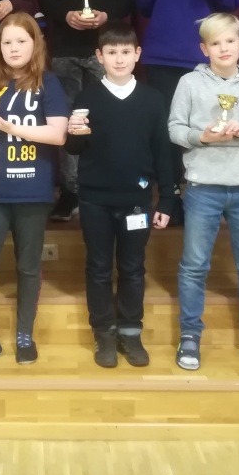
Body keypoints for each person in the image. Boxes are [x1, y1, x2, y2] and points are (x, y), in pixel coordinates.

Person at [167, 13, 239, 372]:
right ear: (205, 49)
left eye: (230, 41)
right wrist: (201, 136)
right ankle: (189, 334)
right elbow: (174, 128)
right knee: (193, 266)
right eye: (215, 43)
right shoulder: (189, 83)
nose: (224, 48)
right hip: (202, 187)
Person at [65, 21, 174, 368]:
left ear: (137, 54)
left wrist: (167, 198)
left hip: (136, 201)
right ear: (100, 56)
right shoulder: (87, 96)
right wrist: (74, 133)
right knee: (98, 268)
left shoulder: (152, 100)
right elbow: (74, 148)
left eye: (126, 52)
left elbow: (163, 151)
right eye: (111, 52)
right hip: (95, 200)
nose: (119, 58)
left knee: (133, 267)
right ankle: (104, 332)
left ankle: (130, 330)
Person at [0, 13, 68, 364]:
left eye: (21, 41)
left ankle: (25, 332)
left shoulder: (48, 83)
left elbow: (57, 134)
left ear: (35, 44)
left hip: (33, 191)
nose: (13, 48)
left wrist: (13, 128)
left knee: (28, 266)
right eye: (7, 42)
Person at [38, 0, 133, 221]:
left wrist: (106, 16)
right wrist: (66, 16)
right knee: (66, 119)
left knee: (106, 115)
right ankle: (71, 190)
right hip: (65, 46)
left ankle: (102, 184)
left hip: (103, 48)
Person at [136, 0, 239, 201]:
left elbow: (230, 3)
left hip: (204, 54)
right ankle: (170, 196)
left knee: (207, 125)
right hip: (161, 55)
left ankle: (205, 194)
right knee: (168, 130)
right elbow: (145, 8)